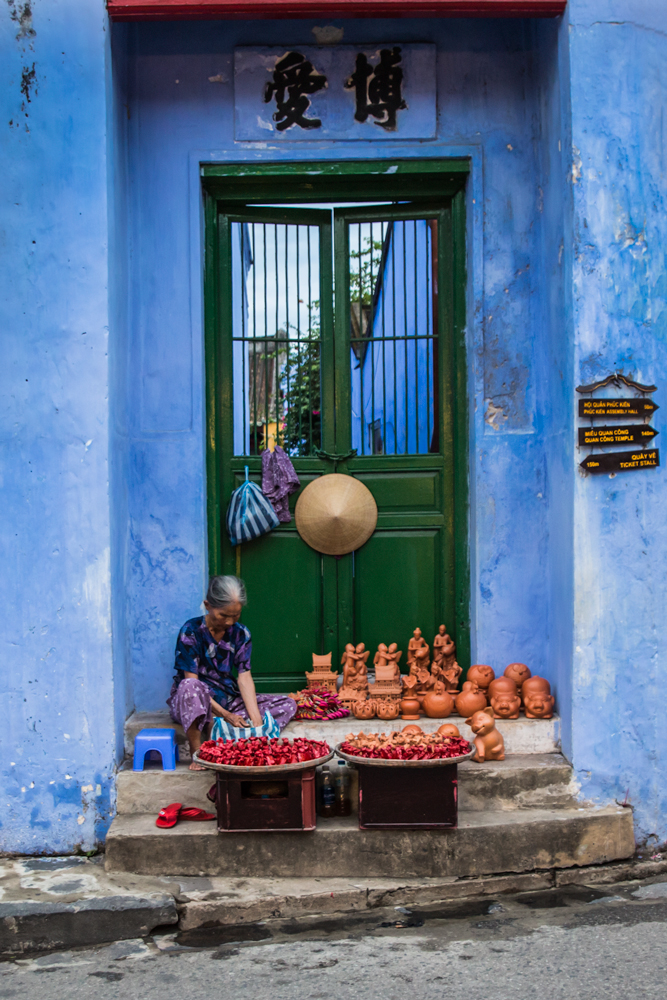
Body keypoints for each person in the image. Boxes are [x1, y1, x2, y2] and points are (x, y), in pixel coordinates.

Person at [168, 575, 297, 770]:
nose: (229, 622)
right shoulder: (190, 631)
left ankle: (228, 734)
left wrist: (256, 723)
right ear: (207, 605)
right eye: (223, 615)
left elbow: (244, 677)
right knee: (189, 687)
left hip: (227, 700)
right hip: (195, 703)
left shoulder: (241, 633)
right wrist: (228, 716)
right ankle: (199, 753)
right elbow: (190, 680)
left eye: (235, 616)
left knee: (288, 704)